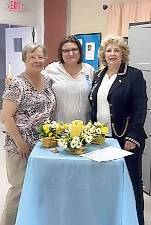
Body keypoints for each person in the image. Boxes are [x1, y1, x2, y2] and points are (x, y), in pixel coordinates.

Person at [89, 35, 147, 225]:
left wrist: (134, 135)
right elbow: (95, 106)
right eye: (108, 50)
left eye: (116, 50)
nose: (112, 54)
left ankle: (136, 220)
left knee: (131, 182)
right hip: (101, 138)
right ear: (103, 54)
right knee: (106, 181)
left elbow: (140, 107)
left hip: (125, 138)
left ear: (123, 54)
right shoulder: (99, 75)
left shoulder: (134, 75)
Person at [0, 43, 56, 225]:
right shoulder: (17, 84)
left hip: (42, 145)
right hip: (19, 148)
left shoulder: (47, 80)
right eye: (32, 57)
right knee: (19, 189)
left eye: (40, 57)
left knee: (38, 188)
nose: (37, 60)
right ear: (24, 59)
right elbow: (6, 116)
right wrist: (20, 143)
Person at [44, 35, 95, 123]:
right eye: (66, 51)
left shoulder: (89, 70)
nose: (71, 53)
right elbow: (37, 87)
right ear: (61, 53)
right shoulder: (51, 69)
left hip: (85, 129)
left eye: (74, 49)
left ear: (80, 51)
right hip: (58, 128)